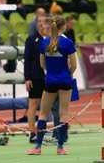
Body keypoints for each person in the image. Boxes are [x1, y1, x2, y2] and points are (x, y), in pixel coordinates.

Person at [27, 15, 77, 155]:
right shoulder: (68, 43)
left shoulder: (45, 42)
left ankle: (38, 147)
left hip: (50, 81)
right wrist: (68, 74)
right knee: (63, 113)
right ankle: (60, 147)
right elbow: (74, 64)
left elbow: (42, 64)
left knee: (43, 113)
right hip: (65, 81)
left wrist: (50, 72)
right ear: (64, 27)